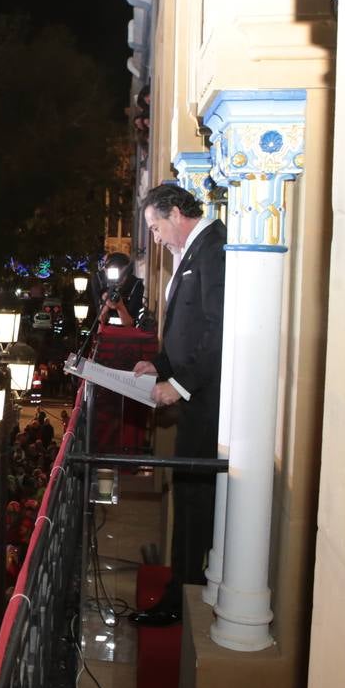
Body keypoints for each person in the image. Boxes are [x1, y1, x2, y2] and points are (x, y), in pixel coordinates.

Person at [131, 183, 226, 624]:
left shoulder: (212, 247)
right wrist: (158, 365)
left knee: (194, 496)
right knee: (187, 493)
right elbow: (184, 331)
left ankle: (184, 596)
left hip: (208, 402)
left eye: (154, 226)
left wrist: (181, 384)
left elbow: (217, 327)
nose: (154, 236)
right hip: (193, 396)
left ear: (174, 213)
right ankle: (178, 586)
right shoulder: (188, 255)